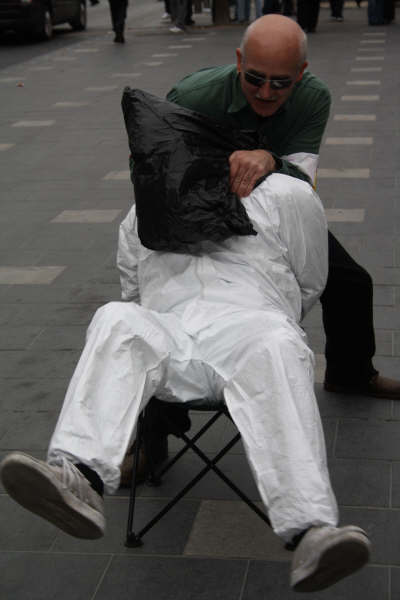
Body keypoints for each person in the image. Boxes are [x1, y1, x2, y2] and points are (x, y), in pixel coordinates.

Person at [1, 158, 371, 592]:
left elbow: (311, 278)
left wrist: (270, 313)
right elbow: (132, 286)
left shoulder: (289, 195)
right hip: (170, 330)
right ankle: (81, 478)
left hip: (249, 326)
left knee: (278, 341)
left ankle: (310, 530)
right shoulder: (148, 205)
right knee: (117, 317)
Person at [120, 13, 400, 484]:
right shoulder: (193, 96)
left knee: (351, 281)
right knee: (161, 310)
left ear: (302, 75)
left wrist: (270, 161)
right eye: (255, 79)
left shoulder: (313, 98)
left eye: (281, 83)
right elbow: (157, 173)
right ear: (238, 63)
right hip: (197, 212)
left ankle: (350, 373)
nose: (267, 93)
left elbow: (304, 181)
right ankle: (151, 442)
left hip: (271, 212)